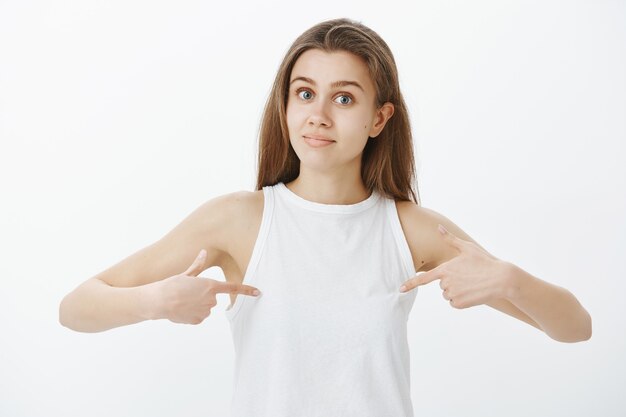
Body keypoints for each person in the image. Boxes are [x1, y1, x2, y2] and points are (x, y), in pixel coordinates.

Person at [59, 17, 592, 416]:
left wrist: (508, 280)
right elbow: (76, 307)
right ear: (286, 105)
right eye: (305, 93)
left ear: (379, 118)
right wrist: (154, 301)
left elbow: (577, 328)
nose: (317, 114)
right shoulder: (239, 220)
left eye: (344, 98)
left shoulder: (411, 229)